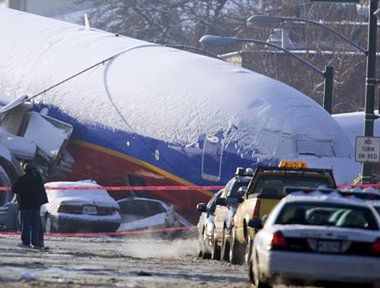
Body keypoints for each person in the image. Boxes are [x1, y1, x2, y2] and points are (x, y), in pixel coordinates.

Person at [11, 160, 48, 248]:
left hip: (25, 204)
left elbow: (14, 189)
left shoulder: (22, 178)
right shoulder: (38, 178)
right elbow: (41, 192)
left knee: (25, 224)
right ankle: (35, 242)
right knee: (35, 224)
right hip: (36, 204)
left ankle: (25, 242)